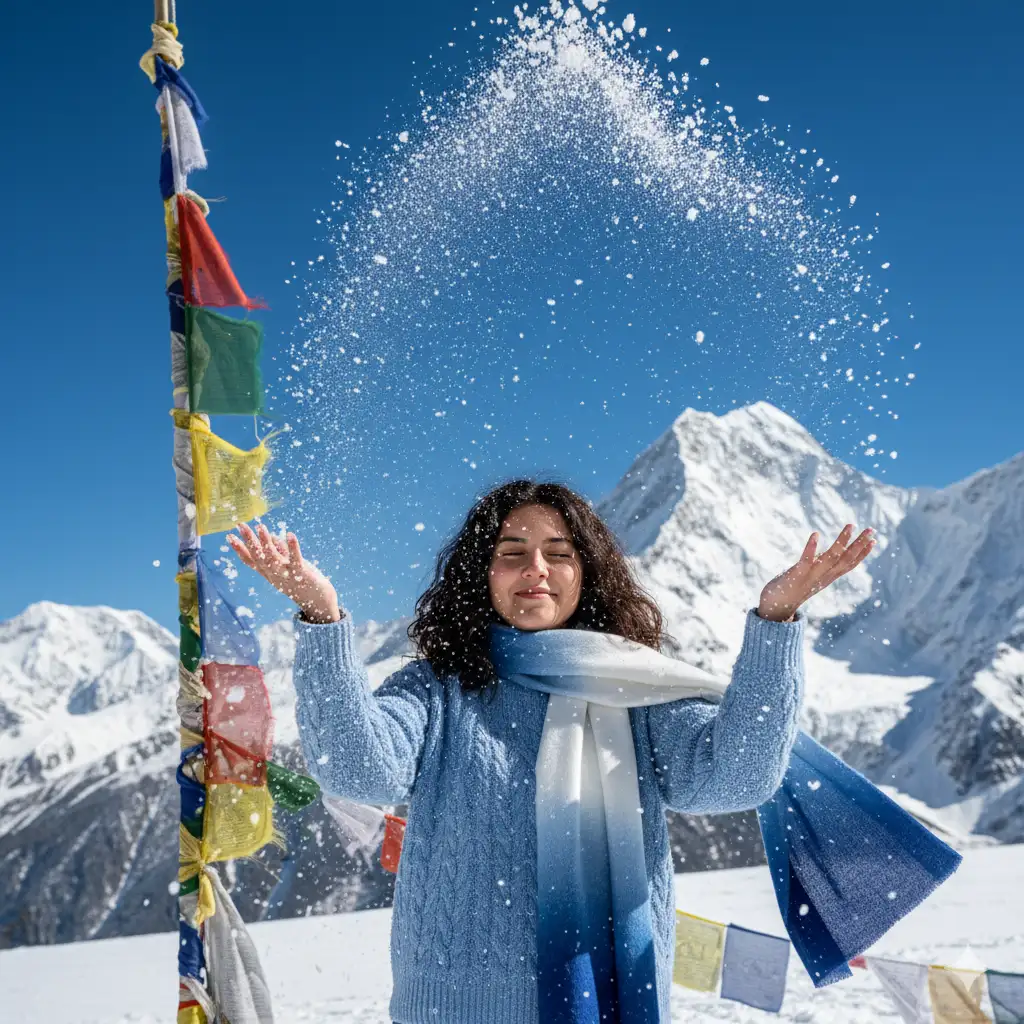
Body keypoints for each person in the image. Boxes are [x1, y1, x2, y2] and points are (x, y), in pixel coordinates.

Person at [228, 479, 874, 1024]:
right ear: (481, 573)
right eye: (512, 552)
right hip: (452, 1008)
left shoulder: (634, 688)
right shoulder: (437, 688)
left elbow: (735, 779)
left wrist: (777, 622)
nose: (535, 570)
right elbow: (359, 770)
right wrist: (321, 617)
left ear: (585, 571)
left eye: (558, 553)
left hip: (612, 1000)